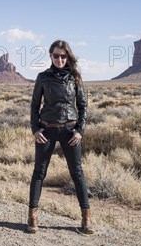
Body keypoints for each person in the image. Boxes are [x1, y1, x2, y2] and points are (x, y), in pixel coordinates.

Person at [27, 39, 93, 234]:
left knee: (77, 173)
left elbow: (83, 107)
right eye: (56, 56)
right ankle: (32, 217)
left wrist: (80, 130)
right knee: (39, 172)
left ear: (68, 57)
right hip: (46, 130)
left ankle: (86, 218)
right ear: (51, 56)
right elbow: (34, 105)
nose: (60, 59)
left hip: (70, 131)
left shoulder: (76, 78)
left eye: (63, 56)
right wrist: (35, 129)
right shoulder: (43, 77)